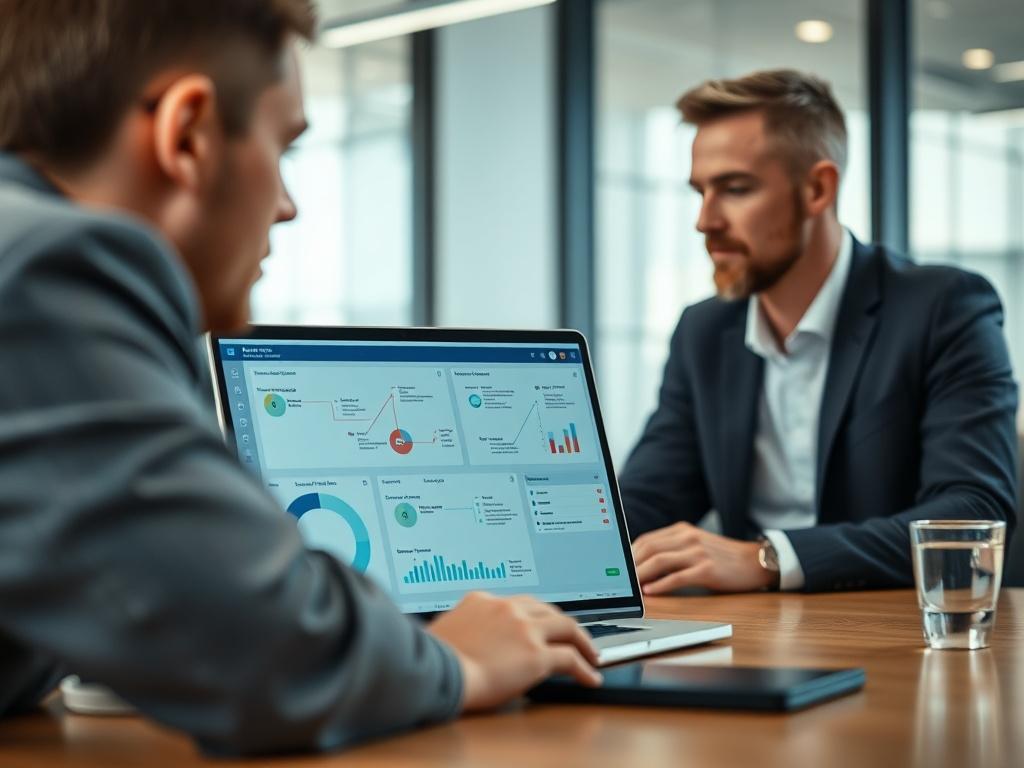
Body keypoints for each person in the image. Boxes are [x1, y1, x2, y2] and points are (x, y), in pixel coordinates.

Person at [0, 0, 600, 755]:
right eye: (283, 148)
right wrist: (455, 659)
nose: (287, 207)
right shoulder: (43, 270)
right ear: (186, 135)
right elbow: (264, 639)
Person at [619, 70, 1017, 595]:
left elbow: (971, 514)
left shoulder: (944, 308)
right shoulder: (704, 330)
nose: (705, 220)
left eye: (735, 189)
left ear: (817, 188)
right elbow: (648, 499)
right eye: (700, 191)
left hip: (899, 632)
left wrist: (769, 559)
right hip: (752, 638)